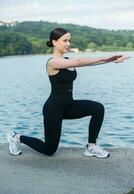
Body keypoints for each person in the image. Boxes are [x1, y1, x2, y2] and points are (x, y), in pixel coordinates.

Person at [7, 27, 130, 158]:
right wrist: (107, 57)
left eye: (69, 40)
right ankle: (16, 137)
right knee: (49, 150)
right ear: (54, 42)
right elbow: (78, 61)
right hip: (53, 109)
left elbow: (87, 64)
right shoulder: (52, 62)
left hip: (69, 106)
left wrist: (110, 60)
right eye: (65, 40)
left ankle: (91, 146)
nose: (68, 44)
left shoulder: (66, 60)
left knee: (98, 109)